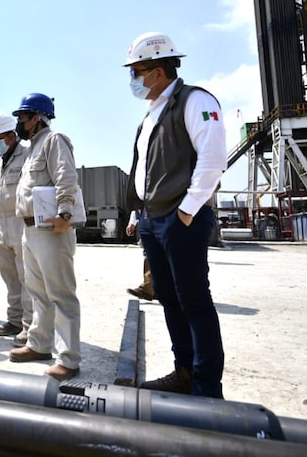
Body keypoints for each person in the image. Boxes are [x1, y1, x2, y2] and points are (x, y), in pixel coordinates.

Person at [123, 31, 227, 399]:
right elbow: (145, 169)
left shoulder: (195, 101)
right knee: (168, 298)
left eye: (137, 71)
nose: (134, 79)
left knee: (194, 301)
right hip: (154, 220)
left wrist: (186, 211)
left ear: (159, 70)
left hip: (181, 220)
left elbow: (213, 159)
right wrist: (140, 213)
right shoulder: (150, 114)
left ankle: (206, 387)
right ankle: (184, 371)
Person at [9, 93, 82, 382]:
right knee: (38, 292)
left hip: (52, 229)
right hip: (31, 229)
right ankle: (39, 344)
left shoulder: (54, 140)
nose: (19, 123)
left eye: (21, 117)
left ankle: (68, 358)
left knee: (61, 294)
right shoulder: (32, 149)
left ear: (36, 117)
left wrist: (65, 214)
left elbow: (66, 177)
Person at [0, 113, 33, 346]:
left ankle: (30, 327)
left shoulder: (28, 156)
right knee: (10, 277)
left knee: (27, 277)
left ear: (12, 136)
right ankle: (14, 320)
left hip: (21, 222)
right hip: (1, 224)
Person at [125, 210, 154, 301]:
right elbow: (138, 202)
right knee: (151, 252)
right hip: (150, 218)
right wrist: (132, 222)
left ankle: (150, 289)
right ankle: (150, 288)